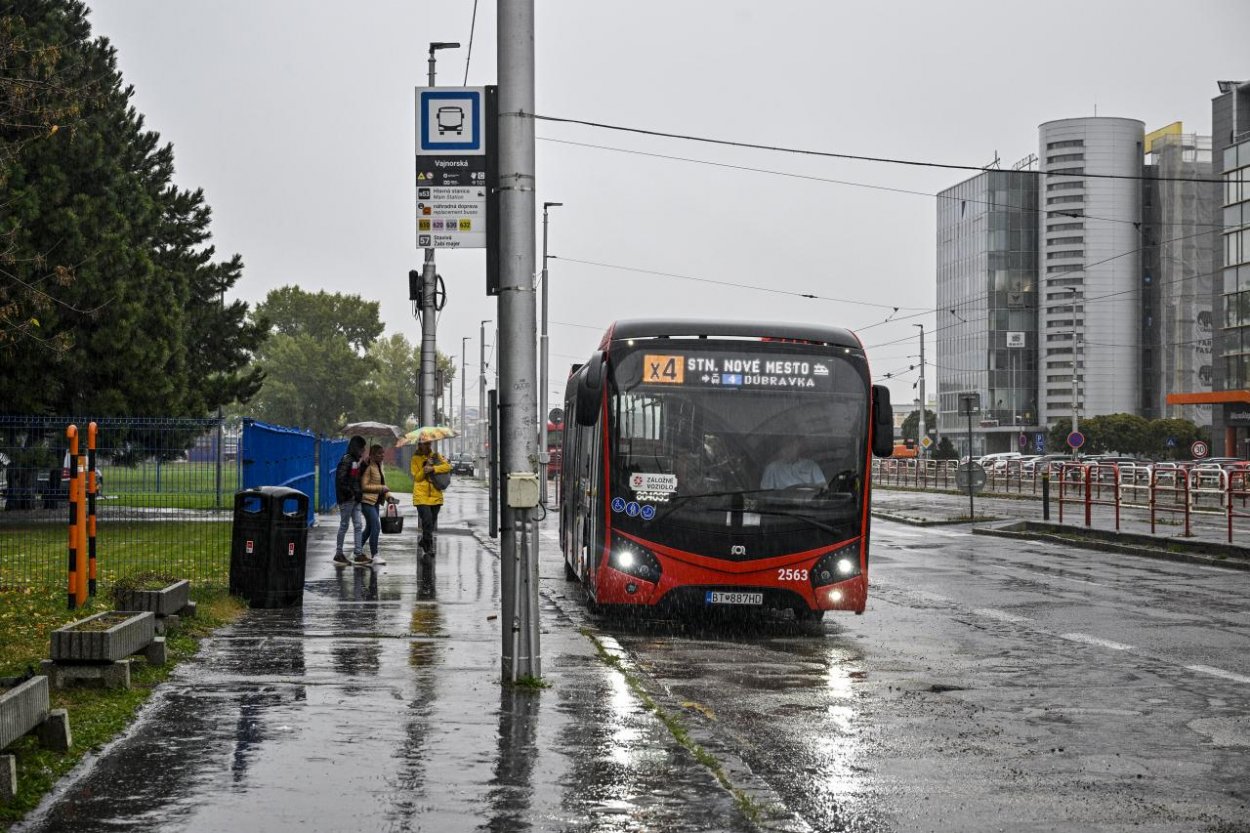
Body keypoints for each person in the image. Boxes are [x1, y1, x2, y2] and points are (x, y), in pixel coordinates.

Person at [410, 439, 451, 557]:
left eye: (429, 443)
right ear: (420, 445)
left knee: (431, 523)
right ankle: (429, 547)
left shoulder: (436, 456)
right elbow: (417, 478)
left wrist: (434, 468)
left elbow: (447, 467)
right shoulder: (415, 459)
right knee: (427, 521)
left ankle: (424, 541)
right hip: (421, 496)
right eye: (425, 444)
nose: (428, 446)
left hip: (436, 496)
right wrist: (425, 467)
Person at [333, 435, 367, 566]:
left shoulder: (355, 460)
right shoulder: (347, 460)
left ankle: (358, 553)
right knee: (344, 525)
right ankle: (339, 553)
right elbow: (342, 480)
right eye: (362, 448)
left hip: (355, 498)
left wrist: (363, 465)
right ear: (356, 447)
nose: (363, 450)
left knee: (358, 525)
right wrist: (352, 493)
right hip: (348, 499)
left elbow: (355, 477)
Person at [359, 444, 395, 566]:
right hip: (366, 502)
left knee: (369, 528)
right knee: (376, 526)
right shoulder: (369, 467)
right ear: (372, 455)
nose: (382, 455)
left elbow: (383, 485)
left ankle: (357, 551)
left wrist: (388, 495)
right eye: (379, 453)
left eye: (383, 453)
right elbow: (364, 487)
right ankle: (375, 555)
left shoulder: (379, 466)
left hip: (375, 502)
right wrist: (381, 488)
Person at [760, 437, 826, 490]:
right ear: (780, 449)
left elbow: (823, 487)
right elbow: (764, 494)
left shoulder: (811, 465)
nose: (789, 449)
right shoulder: (772, 468)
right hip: (780, 504)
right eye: (785, 445)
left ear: (798, 447)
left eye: (793, 445)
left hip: (809, 503)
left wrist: (807, 486)